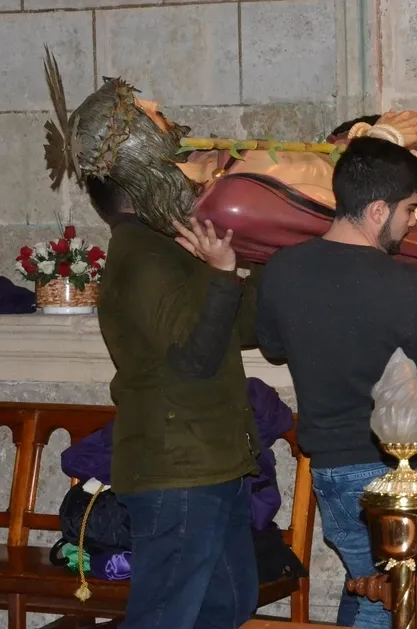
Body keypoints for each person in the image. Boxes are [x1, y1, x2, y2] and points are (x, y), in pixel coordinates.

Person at [256, 136, 417, 629]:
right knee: (403, 598)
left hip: (329, 467)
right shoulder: (401, 281)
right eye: (410, 209)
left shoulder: (282, 267)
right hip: (396, 472)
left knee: (367, 586)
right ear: (378, 210)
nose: (413, 221)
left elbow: (272, 345)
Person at [92, 175, 261, 629]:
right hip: (179, 469)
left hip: (210, 461)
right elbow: (194, 359)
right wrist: (221, 273)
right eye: (171, 171)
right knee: (166, 617)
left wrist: (263, 254)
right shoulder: (143, 256)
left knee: (229, 602)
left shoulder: (168, 247)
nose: (188, 183)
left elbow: (240, 329)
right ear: (142, 184)